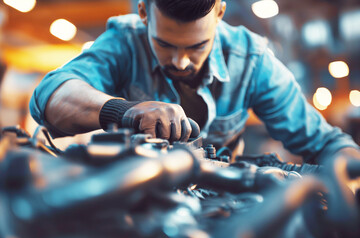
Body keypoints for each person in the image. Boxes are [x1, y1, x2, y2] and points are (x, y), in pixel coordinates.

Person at [30, 0, 359, 164]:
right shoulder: (124, 42)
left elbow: (327, 143)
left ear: (219, 12)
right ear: (144, 12)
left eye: (197, 46)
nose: (180, 61)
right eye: (165, 44)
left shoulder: (252, 59)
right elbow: (48, 97)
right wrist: (125, 111)